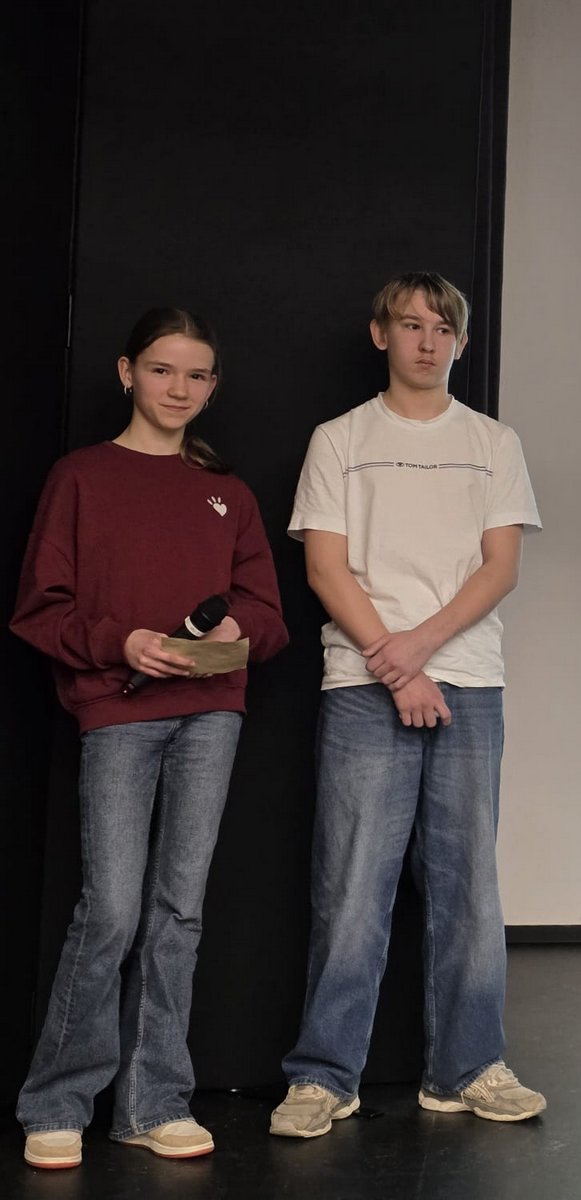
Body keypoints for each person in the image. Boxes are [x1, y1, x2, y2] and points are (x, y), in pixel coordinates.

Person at [11, 309, 288, 1169]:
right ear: (128, 372)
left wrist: (233, 633)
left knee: (179, 912)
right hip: (117, 712)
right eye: (164, 370)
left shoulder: (228, 493)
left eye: (197, 375)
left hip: (212, 712)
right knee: (111, 911)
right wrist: (121, 643)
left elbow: (268, 615)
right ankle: (57, 1103)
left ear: (213, 387)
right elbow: (41, 610)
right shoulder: (80, 478)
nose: (180, 388)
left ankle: (154, 1101)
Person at [271, 272, 544, 1138]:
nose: (428, 341)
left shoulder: (492, 442)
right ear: (380, 334)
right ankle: (324, 1077)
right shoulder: (340, 439)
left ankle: (468, 1069)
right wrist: (397, 669)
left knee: (469, 888)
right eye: (411, 324)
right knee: (352, 887)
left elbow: (500, 567)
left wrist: (418, 650)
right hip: (363, 686)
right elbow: (325, 569)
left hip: (468, 681)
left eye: (443, 328)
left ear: (461, 342)